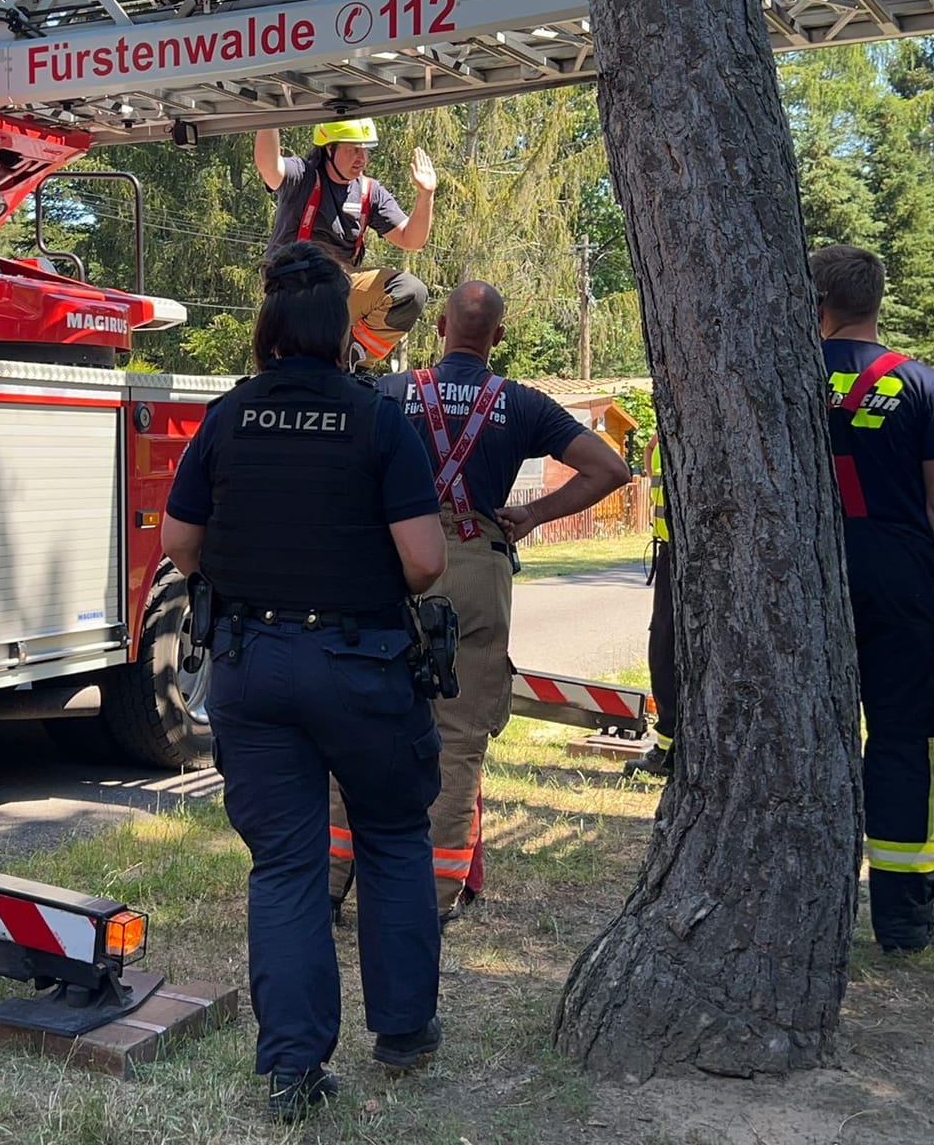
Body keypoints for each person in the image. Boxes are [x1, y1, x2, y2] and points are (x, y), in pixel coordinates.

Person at [161, 239, 450, 1121]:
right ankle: (401, 1032)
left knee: (285, 865)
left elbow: (179, 545)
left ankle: (292, 1070)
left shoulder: (227, 417)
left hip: (251, 668)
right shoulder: (376, 419)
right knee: (393, 837)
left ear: (266, 323)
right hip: (361, 668)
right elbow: (426, 564)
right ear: (342, 325)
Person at [327, 281, 631, 922]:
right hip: (475, 566)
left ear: (438, 327)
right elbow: (611, 470)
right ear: (497, 336)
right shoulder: (521, 404)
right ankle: (431, 898)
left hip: (392, 563)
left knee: (356, 725)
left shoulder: (389, 393)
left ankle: (325, 884)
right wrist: (532, 514)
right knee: (459, 738)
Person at [814, 243, 934, 954]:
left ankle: (806, 907)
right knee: (903, 743)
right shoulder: (924, 387)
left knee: (806, 741)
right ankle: (904, 921)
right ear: (875, 303)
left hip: (808, 581)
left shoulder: (781, 378)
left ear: (815, 302)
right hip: (903, 582)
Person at [254, 119, 436, 367]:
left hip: (339, 286)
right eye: (353, 149)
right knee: (290, 365)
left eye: (365, 149)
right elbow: (269, 166)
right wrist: (271, 113)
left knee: (410, 291)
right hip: (293, 289)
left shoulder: (369, 192)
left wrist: (425, 196)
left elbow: (412, 240)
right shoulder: (302, 177)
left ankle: (350, 361)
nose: (362, 158)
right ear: (329, 149)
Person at [624, 433, 680, 778]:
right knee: (663, 653)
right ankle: (667, 746)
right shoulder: (664, 442)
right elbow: (649, 451)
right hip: (670, 553)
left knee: (667, 653)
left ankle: (669, 748)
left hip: (686, 556)